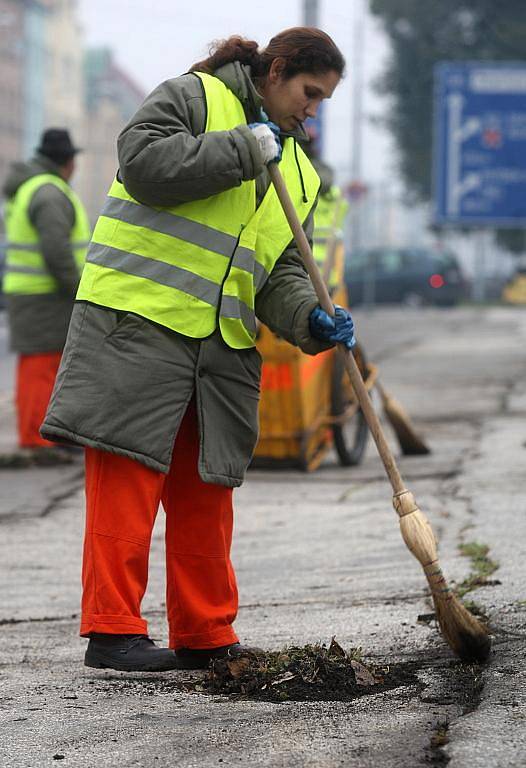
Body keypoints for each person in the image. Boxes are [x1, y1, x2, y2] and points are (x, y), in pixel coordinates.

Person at [41, 27, 356, 672]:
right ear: (277, 71)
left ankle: (206, 632)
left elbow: (279, 274)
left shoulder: (299, 174)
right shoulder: (194, 97)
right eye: (309, 91)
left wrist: (309, 318)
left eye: (323, 100)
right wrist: (244, 147)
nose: (312, 109)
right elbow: (143, 163)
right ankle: (113, 632)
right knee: (127, 482)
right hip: (139, 329)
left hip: (219, 351)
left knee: (205, 494)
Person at [2, 128, 89, 462]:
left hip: (34, 295)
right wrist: (79, 291)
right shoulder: (50, 192)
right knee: (41, 367)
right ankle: (37, 441)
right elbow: (56, 251)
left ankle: (39, 435)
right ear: (68, 163)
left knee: (39, 366)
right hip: (45, 296)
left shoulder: (34, 188)